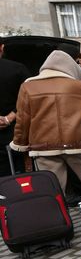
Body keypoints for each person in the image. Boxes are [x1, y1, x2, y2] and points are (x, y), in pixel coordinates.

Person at [10, 50, 81, 191]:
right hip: (80, 143)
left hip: (43, 146)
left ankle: (56, 212)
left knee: (53, 191)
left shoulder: (28, 87)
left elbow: (23, 119)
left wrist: (20, 143)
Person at [0, 38, 32, 177]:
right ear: (2, 47)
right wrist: (9, 117)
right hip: (13, 131)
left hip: (12, 130)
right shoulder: (18, 68)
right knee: (15, 174)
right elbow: (30, 98)